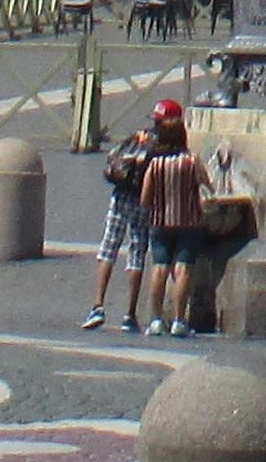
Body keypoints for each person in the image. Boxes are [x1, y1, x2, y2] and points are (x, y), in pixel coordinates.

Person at [137, 117, 217, 338]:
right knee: (183, 269)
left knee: (159, 269)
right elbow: (208, 187)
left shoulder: (155, 164)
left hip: (160, 223)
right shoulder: (192, 161)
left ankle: (155, 320)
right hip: (189, 222)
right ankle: (179, 321)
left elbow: (144, 199)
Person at [82, 107, 158, 332]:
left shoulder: (139, 136)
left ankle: (97, 306)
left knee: (108, 248)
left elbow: (114, 154)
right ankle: (130, 314)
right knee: (136, 255)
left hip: (120, 196)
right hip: (142, 200)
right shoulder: (163, 146)